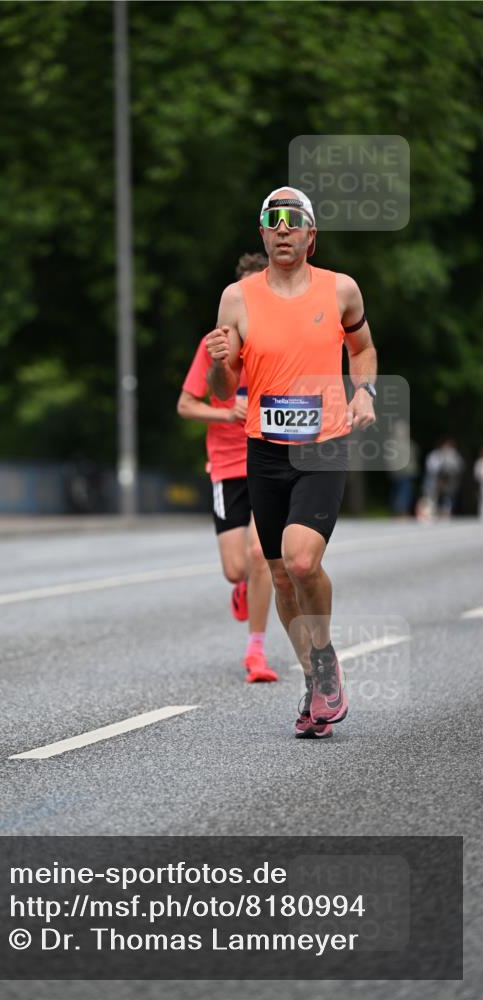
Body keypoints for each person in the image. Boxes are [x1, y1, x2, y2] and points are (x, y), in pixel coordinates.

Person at [206, 186, 377, 739]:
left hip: (322, 444)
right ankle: (314, 680)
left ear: (310, 235)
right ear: (262, 232)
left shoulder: (340, 289)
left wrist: (364, 391)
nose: (283, 228)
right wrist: (218, 365)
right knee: (279, 575)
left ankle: (324, 659)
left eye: (293, 219)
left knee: (302, 561)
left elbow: (363, 349)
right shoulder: (237, 298)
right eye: (273, 219)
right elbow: (223, 386)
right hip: (264, 448)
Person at [177, 252, 276, 683]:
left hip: (269, 458)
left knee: (260, 555)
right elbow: (185, 405)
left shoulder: (279, 341)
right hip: (227, 464)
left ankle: (256, 651)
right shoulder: (214, 343)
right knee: (236, 569)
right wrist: (226, 412)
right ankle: (243, 587)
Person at [423, 438, 465, 518]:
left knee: (449, 497)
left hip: (450, 481)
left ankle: (447, 512)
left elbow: (460, 466)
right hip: (437, 479)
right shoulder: (435, 454)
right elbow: (431, 468)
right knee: (433, 496)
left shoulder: (455, 455)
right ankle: (433, 512)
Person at [474, 448, 483, 520]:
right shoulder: (479, 462)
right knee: (481, 499)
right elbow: (477, 474)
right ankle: (481, 515)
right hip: (481, 483)